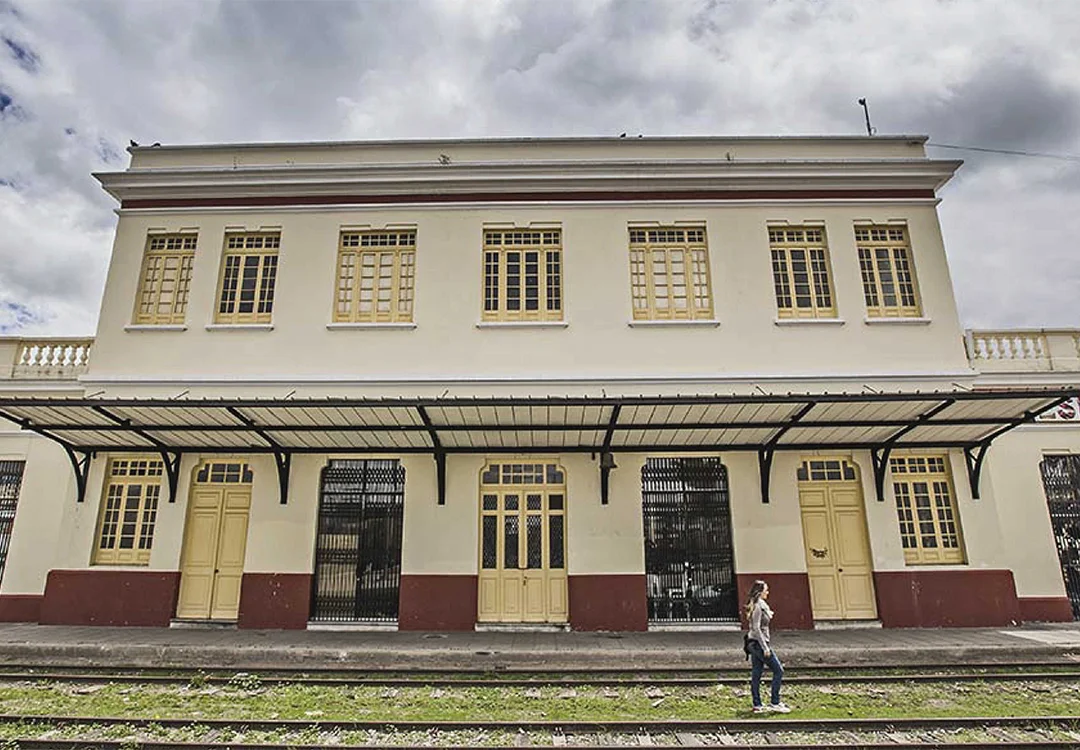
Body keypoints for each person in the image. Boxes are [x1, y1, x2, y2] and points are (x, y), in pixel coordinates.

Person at [745, 579, 791, 713]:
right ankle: (774, 702)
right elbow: (756, 628)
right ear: (760, 592)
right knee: (778, 670)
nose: (768, 592)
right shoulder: (758, 607)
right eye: (766, 590)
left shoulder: (760, 604)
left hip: (754, 643)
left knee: (756, 674)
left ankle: (757, 705)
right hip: (759, 643)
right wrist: (765, 647)